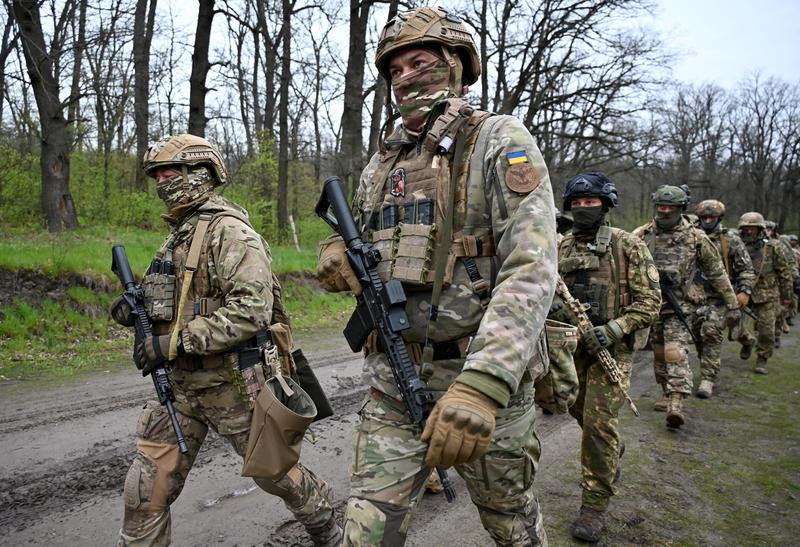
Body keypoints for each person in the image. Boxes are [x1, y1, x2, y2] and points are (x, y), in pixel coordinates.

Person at [317, 7, 557, 546]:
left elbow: (532, 265)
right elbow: (355, 228)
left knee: (511, 525)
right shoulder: (384, 161)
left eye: (419, 62)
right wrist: (334, 251)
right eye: (394, 69)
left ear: (455, 65)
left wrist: (482, 385)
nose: (405, 77)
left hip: (479, 382)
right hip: (393, 382)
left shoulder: (497, 139)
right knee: (365, 534)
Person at [110, 134, 340, 546]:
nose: (161, 181)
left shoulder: (231, 232)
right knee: (144, 494)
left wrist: (174, 343)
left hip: (233, 386)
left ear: (199, 173)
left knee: (280, 477)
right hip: (179, 392)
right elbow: (176, 299)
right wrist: (135, 310)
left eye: (169, 171)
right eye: (156, 174)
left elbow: (252, 311)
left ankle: (331, 533)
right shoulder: (178, 235)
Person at [554, 172, 660, 542]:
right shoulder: (561, 247)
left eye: (591, 203)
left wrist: (612, 330)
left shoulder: (627, 246)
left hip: (611, 351)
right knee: (577, 411)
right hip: (571, 349)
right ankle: (612, 449)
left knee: (598, 426)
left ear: (606, 205)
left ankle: (594, 505)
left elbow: (650, 303)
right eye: (578, 203)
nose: (584, 209)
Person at [632, 185, 737, 429]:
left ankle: (676, 402)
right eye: (661, 207)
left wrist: (732, 303)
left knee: (674, 351)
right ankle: (665, 391)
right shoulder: (642, 234)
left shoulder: (696, 238)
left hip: (681, 306)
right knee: (658, 352)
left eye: (670, 207)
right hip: (650, 305)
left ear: (681, 208)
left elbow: (717, 272)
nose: (664, 211)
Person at [691, 199, 755, 398]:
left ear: (719, 218)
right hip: (694, 297)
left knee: (711, 330)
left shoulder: (731, 240)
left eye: (712, 217)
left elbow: (746, 269)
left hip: (721, 297)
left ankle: (707, 379)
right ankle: (746, 338)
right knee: (695, 333)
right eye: (704, 217)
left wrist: (744, 291)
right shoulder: (690, 237)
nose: (708, 220)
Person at [736, 212, 794, 374]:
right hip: (740, 293)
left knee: (766, 330)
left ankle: (762, 358)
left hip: (767, 295)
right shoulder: (735, 245)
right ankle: (747, 342)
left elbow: (784, 272)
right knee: (733, 325)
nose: (749, 232)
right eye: (746, 228)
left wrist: (787, 296)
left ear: (760, 229)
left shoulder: (773, 247)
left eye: (753, 228)